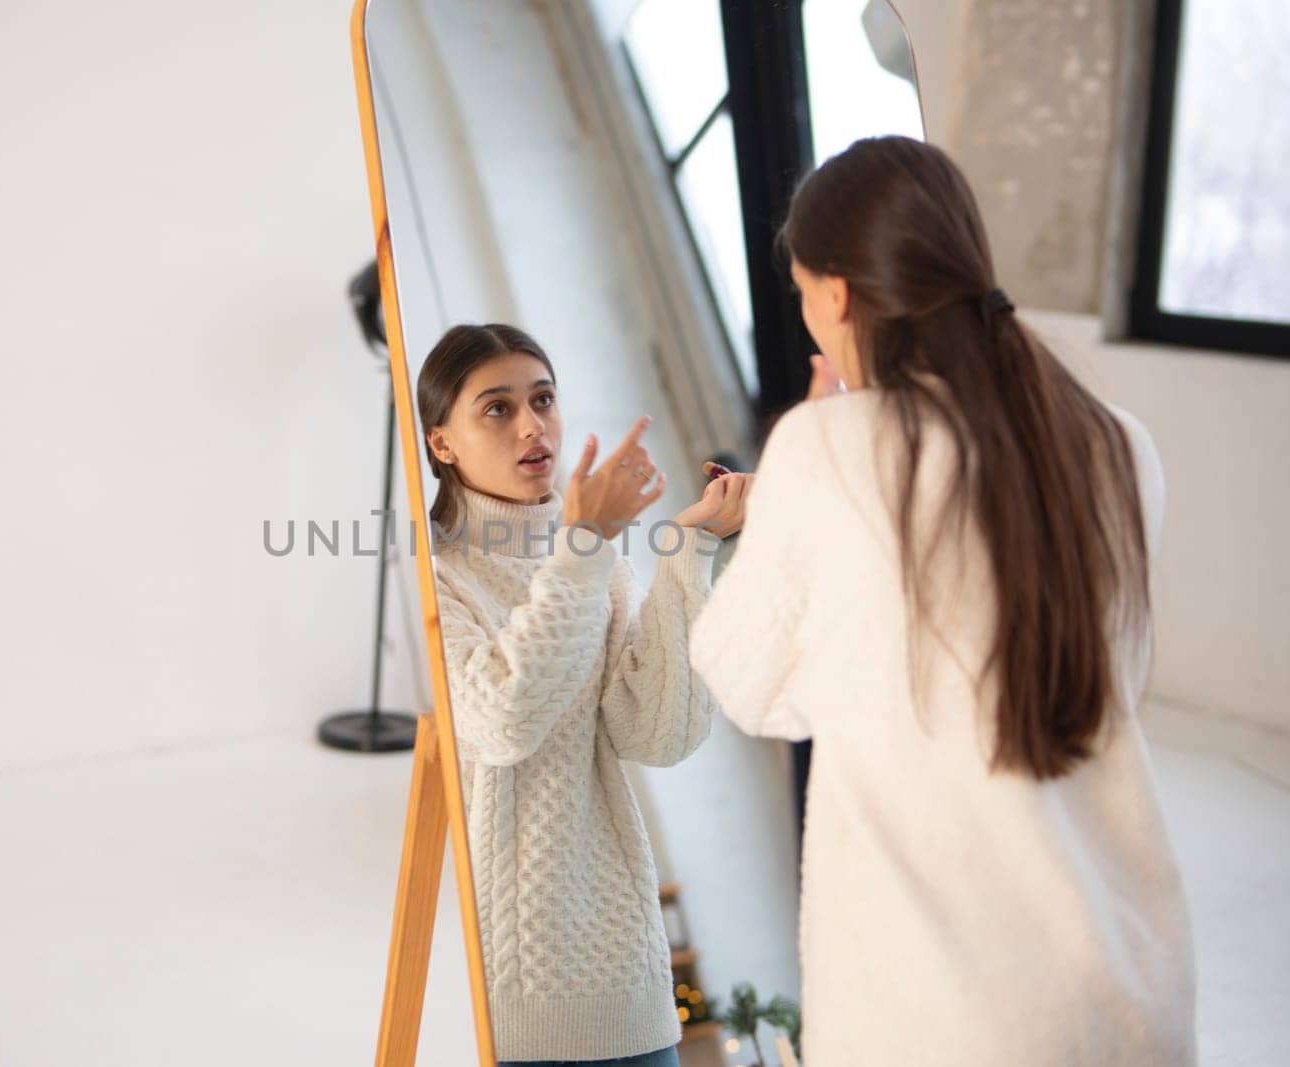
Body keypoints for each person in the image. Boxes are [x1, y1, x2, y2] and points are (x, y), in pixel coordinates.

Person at [688, 135, 1196, 1066]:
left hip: (939, 1014)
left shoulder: (828, 448)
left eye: (804, 295)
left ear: (837, 294)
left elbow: (752, 687)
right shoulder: (1119, 443)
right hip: (1127, 990)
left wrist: (791, 478)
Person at [417, 323, 750, 1067]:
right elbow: (504, 717)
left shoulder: (595, 563)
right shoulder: (436, 577)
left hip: (628, 985)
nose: (533, 425)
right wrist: (585, 545)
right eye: (497, 408)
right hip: (504, 1007)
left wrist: (690, 551)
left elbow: (657, 734)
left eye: (543, 398)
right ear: (442, 442)